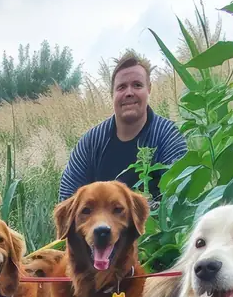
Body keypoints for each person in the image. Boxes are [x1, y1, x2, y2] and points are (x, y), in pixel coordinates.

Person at [58, 51, 187, 202]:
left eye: (137, 85)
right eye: (121, 87)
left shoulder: (168, 135)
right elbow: (67, 198)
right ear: (112, 93)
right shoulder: (91, 142)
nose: (129, 93)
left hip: (156, 224)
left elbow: (180, 197)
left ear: (149, 89)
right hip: (98, 224)